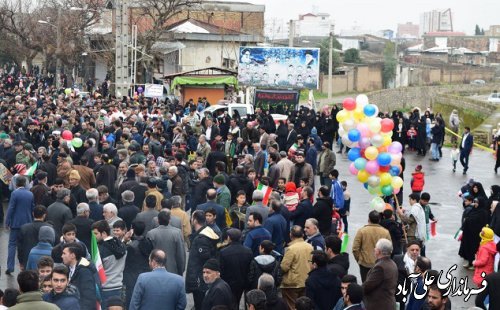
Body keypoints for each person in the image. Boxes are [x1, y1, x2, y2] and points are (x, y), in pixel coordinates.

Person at [186, 210, 219, 310]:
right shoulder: (204, 234)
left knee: (200, 304)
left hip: (200, 279)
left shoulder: (201, 239)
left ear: (195, 220)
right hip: (201, 278)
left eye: (192, 218)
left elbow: (205, 259)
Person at [92, 220, 127, 308]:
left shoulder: (99, 250)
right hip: (119, 286)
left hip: (104, 288)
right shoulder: (122, 245)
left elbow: (95, 270)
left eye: (95, 234)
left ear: (103, 233)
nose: (94, 237)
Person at [6, 175, 35, 275]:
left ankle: (10, 267)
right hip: (27, 222)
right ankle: (25, 265)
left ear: (16, 183)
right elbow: (32, 209)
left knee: (12, 245)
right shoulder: (30, 194)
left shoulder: (14, 193)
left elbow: (11, 208)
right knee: (25, 244)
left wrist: (7, 221)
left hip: (16, 223)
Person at [352, 210, 392, 282]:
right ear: (379, 220)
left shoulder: (362, 231)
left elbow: (355, 248)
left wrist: (360, 260)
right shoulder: (385, 232)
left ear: (368, 219)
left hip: (365, 264)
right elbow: (390, 249)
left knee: (366, 285)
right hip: (381, 264)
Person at [281, 225, 314, 309]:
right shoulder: (310, 246)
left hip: (292, 284)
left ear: (290, 235)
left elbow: (284, 267)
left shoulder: (291, 249)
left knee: (291, 306)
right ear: (302, 235)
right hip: (305, 281)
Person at [219, 228, 253, 308]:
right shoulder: (248, 251)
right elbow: (250, 268)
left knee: (230, 303)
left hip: (229, 283)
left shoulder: (224, 252)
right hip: (243, 282)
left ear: (229, 238)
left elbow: (222, 270)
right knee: (237, 300)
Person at [146, 210, 186, 276]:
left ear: (158, 221)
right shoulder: (177, 233)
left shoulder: (151, 234)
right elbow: (180, 254)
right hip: (172, 271)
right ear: (169, 220)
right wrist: (181, 270)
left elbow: (148, 254)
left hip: (155, 271)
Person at [362, 238, 398, 310]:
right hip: (388, 303)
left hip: (379, 305)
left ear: (378, 251)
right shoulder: (392, 263)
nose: (374, 249)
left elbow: (368, 286)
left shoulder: (380, 267)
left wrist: (356, 289)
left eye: (375, 248)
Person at [459, 195, 490, 268]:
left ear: (481, 203)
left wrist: (469, 220)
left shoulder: (483, 213)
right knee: (468, 248)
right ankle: (470, 262)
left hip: (476, 235)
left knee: (474, 249)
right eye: (475, 202)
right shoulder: (473, 209)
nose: (475, 204)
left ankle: (474, 264)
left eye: (477, 202)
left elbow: (482, 224)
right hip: (468, 233)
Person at [17, 205, 51, 271]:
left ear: (33, 214)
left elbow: (20, 247)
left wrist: (21, 262)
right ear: (44, 215)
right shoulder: (49, 228)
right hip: (46, 262)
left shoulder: (24, 228)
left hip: (28, 260)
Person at [393, 240, 421, 309]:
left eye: (417, 250)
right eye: (412, 250)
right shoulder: (398, 258)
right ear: (407, 249)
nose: (415, 252)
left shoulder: (422, 262)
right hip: (400, 294)